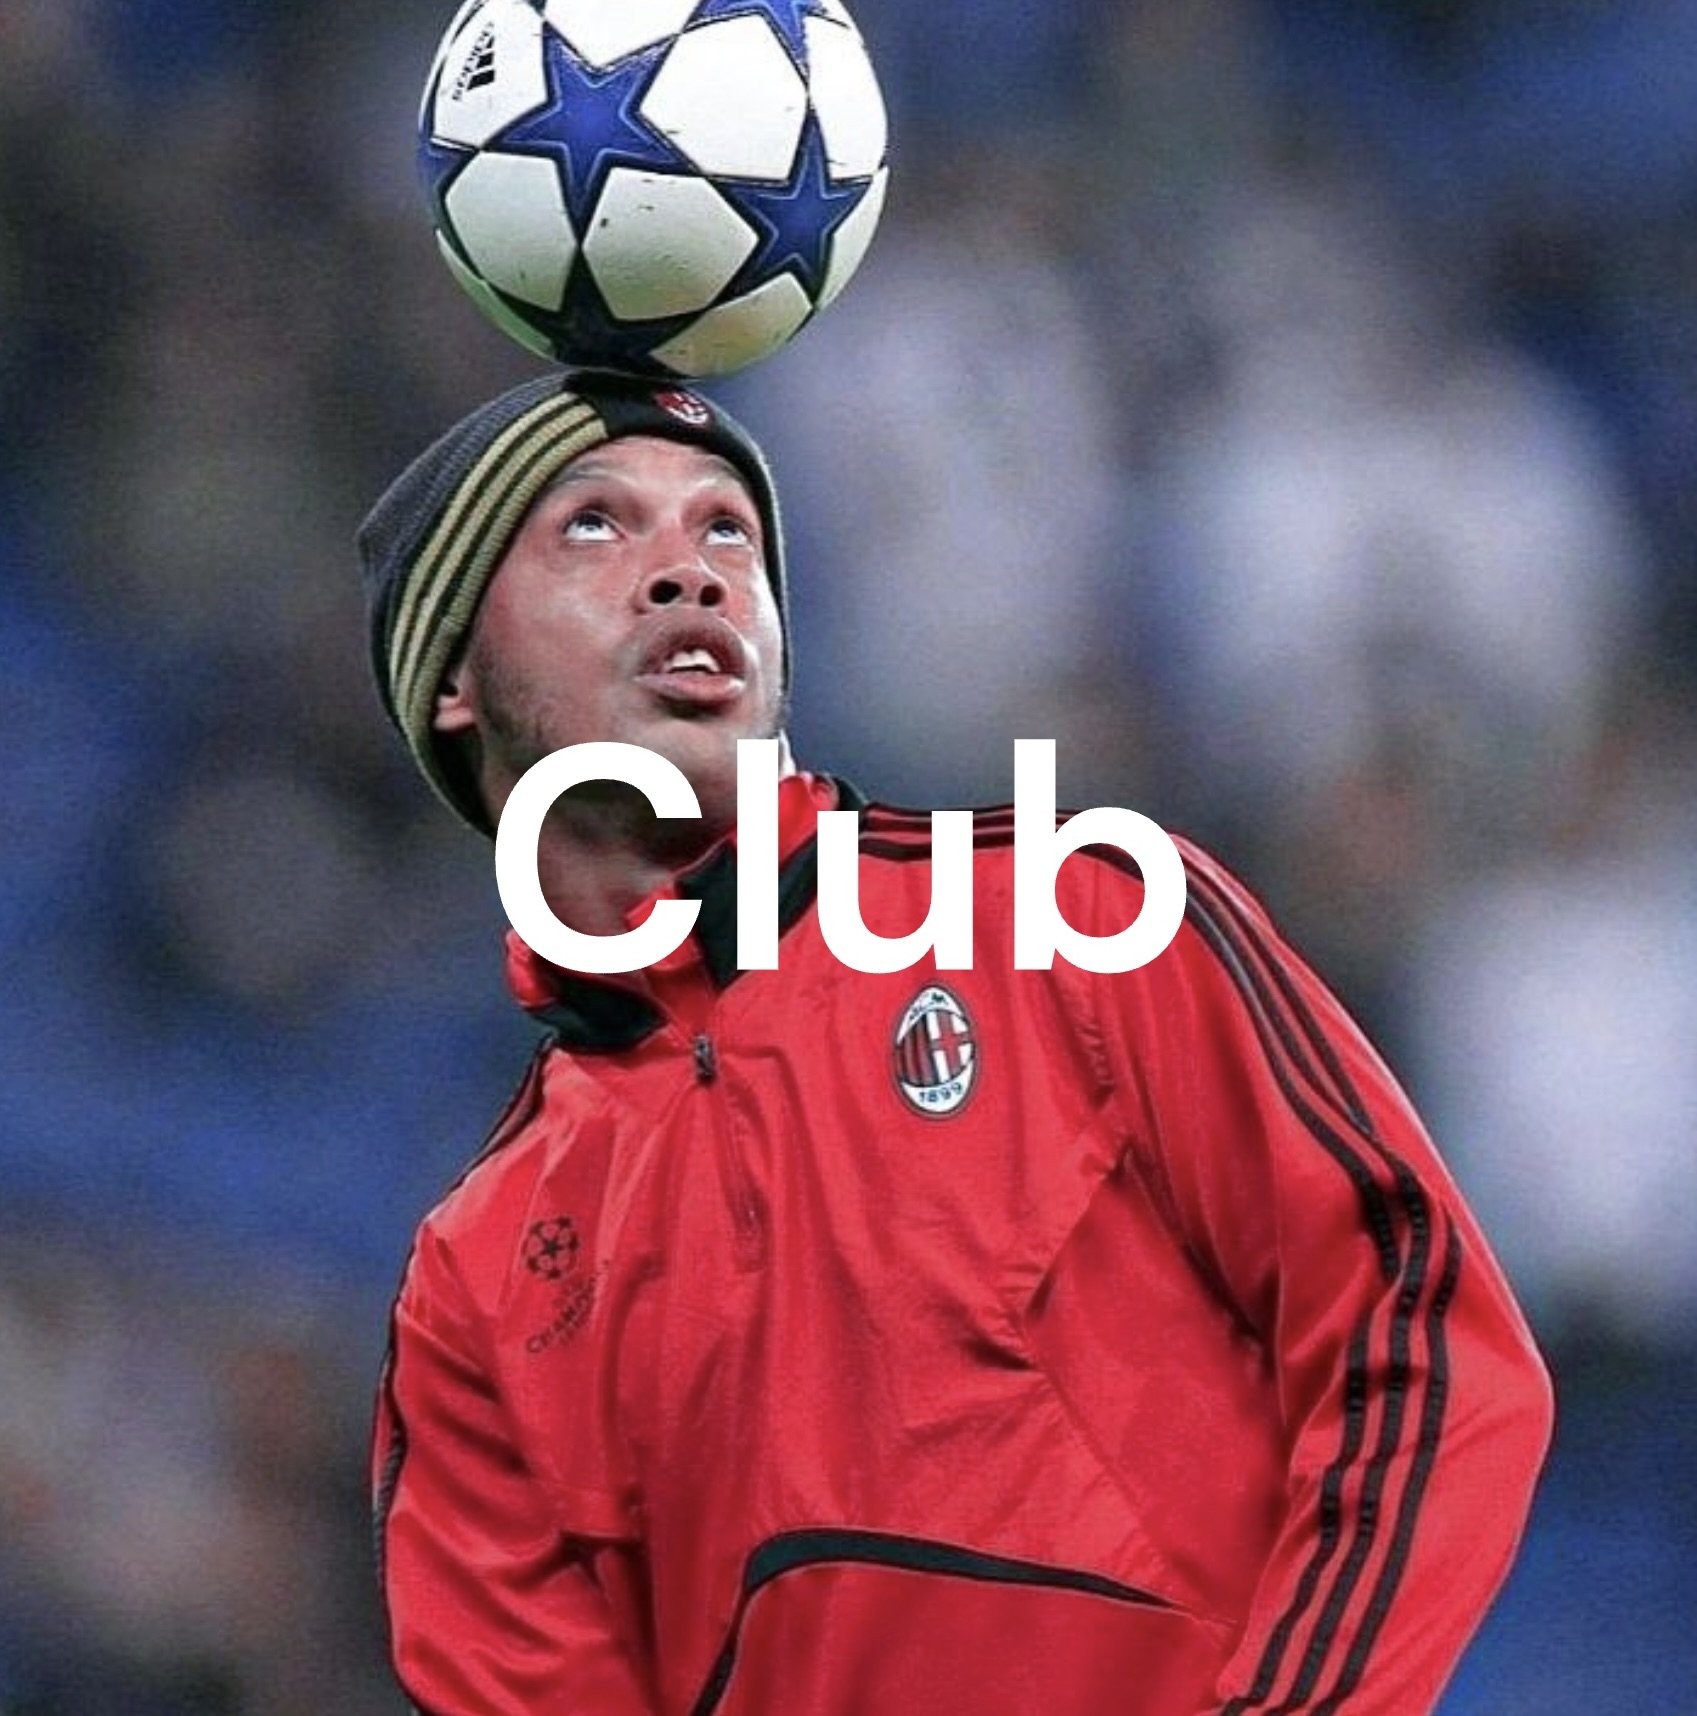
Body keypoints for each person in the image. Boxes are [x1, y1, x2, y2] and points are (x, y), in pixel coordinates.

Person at [361, 370, 1552, 1716]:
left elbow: (1422, 1335)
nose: (688, 574)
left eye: (728, 533)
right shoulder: (474, 1285)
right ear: (454, 675)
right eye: (594, 524)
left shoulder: (1081, 911)